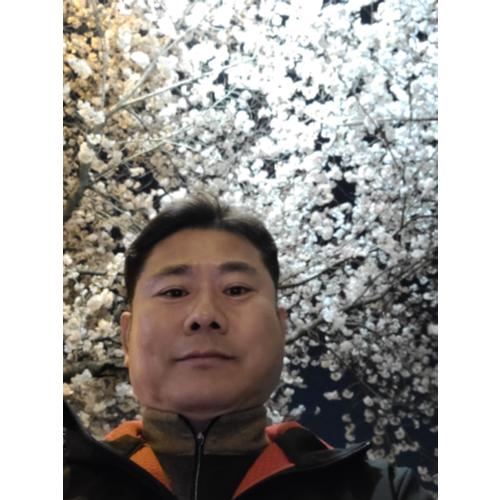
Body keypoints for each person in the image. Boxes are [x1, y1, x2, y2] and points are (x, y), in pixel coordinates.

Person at [64, 195, 433, 500]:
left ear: (281, 328)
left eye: (236, 289)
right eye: (174, 292)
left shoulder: (381, 491)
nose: (205, 315)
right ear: (126, 337)